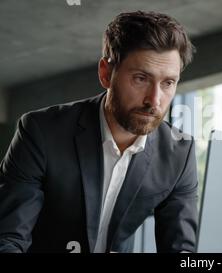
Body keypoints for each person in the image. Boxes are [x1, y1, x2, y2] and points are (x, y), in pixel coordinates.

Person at [0, 10, 198, 253]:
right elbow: (8, 239)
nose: (154, 100)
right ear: (106, 73)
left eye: (168, 83)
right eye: (140, 78)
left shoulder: (179, 154)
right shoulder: (41, 132)